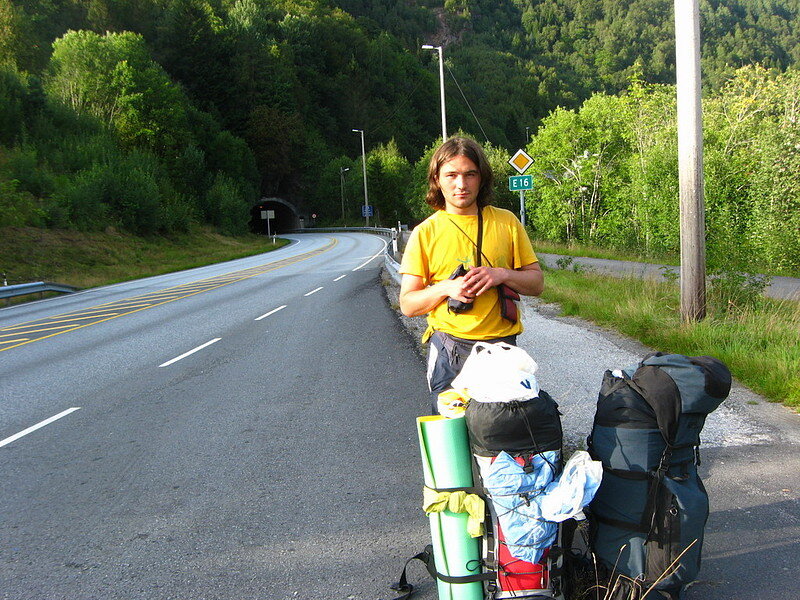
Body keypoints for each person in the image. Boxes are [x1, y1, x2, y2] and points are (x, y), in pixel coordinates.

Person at [399, 137, 543, 412]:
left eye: (470, 174)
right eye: (451, 175)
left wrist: (501, 274)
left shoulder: (506, 222)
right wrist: (446, 289)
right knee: (451, 443)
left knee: (501, 444)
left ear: (482, 178)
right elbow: (407, 304)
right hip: (450, 352)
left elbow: (536, 284)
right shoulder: (425, 233)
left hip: (503, 351)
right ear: (437, 180)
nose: (461, 184)